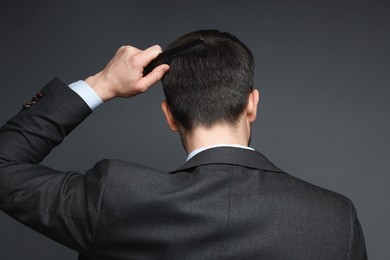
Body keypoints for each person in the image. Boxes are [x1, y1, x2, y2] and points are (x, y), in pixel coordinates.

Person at [0, 30, 367, 259]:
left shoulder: (117, 198)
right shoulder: (335, 219)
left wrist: (103, 84)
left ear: (169, 115)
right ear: (252, 104)